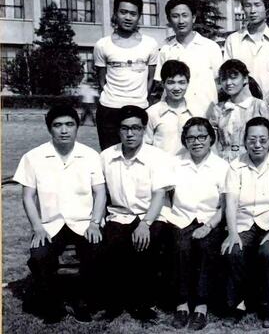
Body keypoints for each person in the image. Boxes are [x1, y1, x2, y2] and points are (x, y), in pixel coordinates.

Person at [13, 105, 106, 323]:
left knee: (98, 250)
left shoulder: (90, 155)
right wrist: (37, 227)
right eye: (58, 125)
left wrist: (95, 223)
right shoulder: (33, 157)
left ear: (77, 127)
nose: (64, 130)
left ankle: (82, 300)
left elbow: (100, 192)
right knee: (39, 255)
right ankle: (52, 303)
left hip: (84, 222)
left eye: (69, 124)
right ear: (49, 128)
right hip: (50, 224)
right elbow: (28, 197)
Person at [100, 105, 175, 322]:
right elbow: (100, 192)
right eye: (125, 128)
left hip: (151, 214)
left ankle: (143, 304)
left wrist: (145, 224)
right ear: (118, 130)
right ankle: (115, 302)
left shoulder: (157, 157)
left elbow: (159, 194)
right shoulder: (106, 156)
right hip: (120, 214)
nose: (130, 134)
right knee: (112, 244)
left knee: (146, 244)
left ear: (143, 130)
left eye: (136, 128)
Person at [221, 117, 269, 328]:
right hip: (243, 223)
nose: (257, 145)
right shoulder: (236, 166)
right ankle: (237, 304)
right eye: (252, 140)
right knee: (233, 250)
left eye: (262, 140)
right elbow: (231, 202)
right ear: (245, 141)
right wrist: (232, 232)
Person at [167, 117, 229, 331]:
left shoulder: (222, 166)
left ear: (211, 138)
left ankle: (201, 306)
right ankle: (182, 303)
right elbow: (166, 196)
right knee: (180, 247)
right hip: (180, 218)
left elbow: (225, 206)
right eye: (191, 138)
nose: (196, 142)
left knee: (205, 247)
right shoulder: (176, 163)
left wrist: (209, 226)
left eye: (202, 136)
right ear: (184, 140)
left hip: (210, 220)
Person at [93, 0, 159, 150]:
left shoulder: (150, 44)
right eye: (123, 12)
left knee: (138, 155)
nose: (128, 17)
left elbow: (151, 79)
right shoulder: (102, 45)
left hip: (139, 108)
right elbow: (101, 80)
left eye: (133, 14)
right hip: (109, 109)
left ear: (139, 16)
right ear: (115, 14)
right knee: (110, 156)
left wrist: (140, 98)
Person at [155, 0, 223, 117]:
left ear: (194, 18)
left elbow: (219, 83)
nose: (181, 21)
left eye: (185, 15)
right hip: (173, 115)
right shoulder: (165, 49)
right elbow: (161, 85)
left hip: (204, 115)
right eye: (175, 16)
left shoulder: (211, 47)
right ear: (169, 20)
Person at [207, 59, 269, 161]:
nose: (228, 83)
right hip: (223, 161)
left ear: (245, 79)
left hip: (250, 160)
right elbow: (212, 140)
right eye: (224, 79)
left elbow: (266, 139)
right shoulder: (218, 109)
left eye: (233, 78)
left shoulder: (259, 106)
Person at [145, 60, 195, 155]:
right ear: (163, 84)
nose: (176, 88)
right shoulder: (152, 113)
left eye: (181, 82)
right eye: (171, 83)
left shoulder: (197, 112)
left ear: (188, 83)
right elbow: (146, 147)